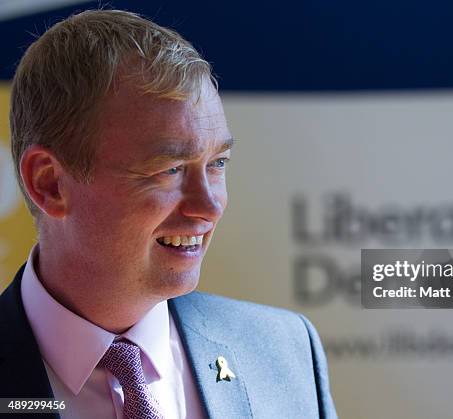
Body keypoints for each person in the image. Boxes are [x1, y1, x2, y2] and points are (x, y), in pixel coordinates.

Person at [0, 9, 337, 419]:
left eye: (218, 163)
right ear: (50, 184)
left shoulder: (283, 351)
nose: (209, 206)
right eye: (170, 169)